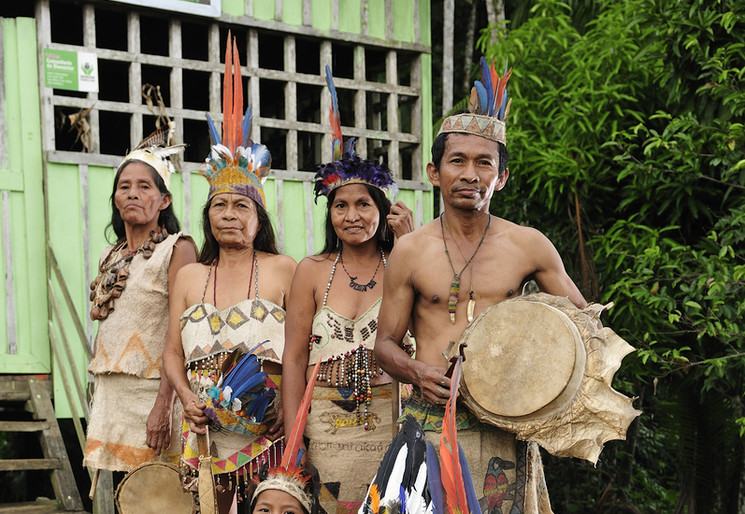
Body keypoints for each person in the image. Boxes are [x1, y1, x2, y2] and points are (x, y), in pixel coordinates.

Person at [373, 59, 587, 513]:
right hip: (429, 422)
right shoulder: (410, 251)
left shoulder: (529, 246)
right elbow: (385, 346)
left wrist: (535, 377)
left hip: (506, 425)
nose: (470, 174)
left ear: (501, 177)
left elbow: (582, 330)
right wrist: (417, 373)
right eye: (457, 161)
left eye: (483, 163)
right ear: (435, 172)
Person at [162, 36, 296, 513]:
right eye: (219, 204)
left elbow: (303, 348)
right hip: (202, 431)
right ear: (207, 215)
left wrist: (290, 408)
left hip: (268, 428)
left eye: (242, 205)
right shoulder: (189, 276)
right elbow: (172, 354)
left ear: (260, 218)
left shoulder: (284, 270)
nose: (229, 214)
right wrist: (184, 397)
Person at [282, 67, 414, 514]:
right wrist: (293, 435)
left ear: (383, 211)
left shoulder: (403, 265)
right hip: (323, 425)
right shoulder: (312, 271)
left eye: (363, 204)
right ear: (330, 213)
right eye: (341, 205)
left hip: (393, 422)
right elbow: (295, 356)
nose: (352, 215)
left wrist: (410, 245)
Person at [84, 127, 197, 477]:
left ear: (164, 200)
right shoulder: (110, 254)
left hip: (156, 397)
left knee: (162, 494)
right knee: (125, 496)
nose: (133, 193)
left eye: (144, 186)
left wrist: (164, 405)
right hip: (113, 398)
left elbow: (181, 334)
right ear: (116, 198)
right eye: (124, 186)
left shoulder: (177, 249)